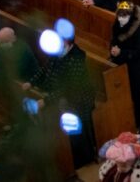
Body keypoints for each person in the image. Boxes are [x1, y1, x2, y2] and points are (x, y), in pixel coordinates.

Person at [24, 37, 98, 168]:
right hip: (61, 95)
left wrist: (46, 101)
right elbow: (44, 69)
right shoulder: (57, 53)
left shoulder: (77, 59)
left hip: (79, 98)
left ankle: (81, 158)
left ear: (67, 43)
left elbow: (67, 88)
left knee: (72, 125)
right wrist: (31, 82)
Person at [108, 1, 140, 134]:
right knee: (130, 94)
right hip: (122, 64)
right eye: (119, 15)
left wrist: (122, 52)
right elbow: (114, 40)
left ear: (131, 16)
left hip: (137, 68)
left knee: (138, 94)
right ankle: (137, 118)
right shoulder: (117, 25)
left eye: (124, 16)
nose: (121, 19)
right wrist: (113, 49)